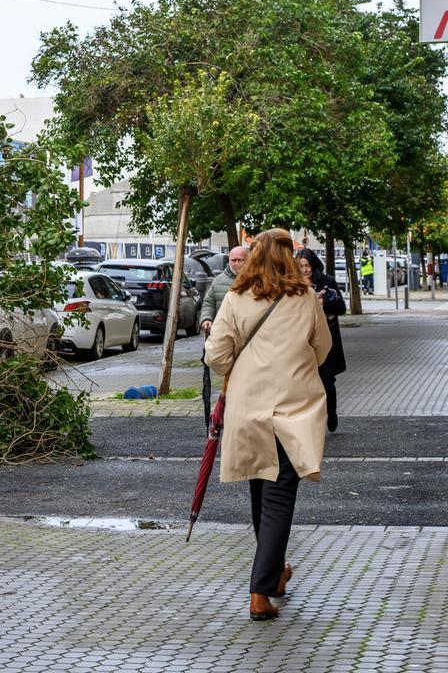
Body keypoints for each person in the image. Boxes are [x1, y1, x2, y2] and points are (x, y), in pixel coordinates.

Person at [205, 229, 331, 622]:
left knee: (262, 491)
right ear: (290, 257)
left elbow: (216, 356)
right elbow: (323, 348)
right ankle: (260, 592)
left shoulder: (235, 298)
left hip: (249, 409)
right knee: (278, 499)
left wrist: (241, 370)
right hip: (292, 411)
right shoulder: (306, 298)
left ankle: (274, 574)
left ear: (255, 257)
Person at [198, 246, 250, 428]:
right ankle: (228, 412)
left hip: (247, 341)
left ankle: (237, 411)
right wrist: (206, 319)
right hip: (225, 339)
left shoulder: (255, 282)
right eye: (232, 260)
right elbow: (208, 303)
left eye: (240, 260)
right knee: (229, 376)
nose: (236, 264)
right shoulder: (219, 281)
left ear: (248, 260)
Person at [296, 249, 347, 433]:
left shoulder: (327, 282)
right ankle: (311, 420)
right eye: (300, 266)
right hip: (302, 341)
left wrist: (323, 304)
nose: (304, 270)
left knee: (326, 380)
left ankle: (331, 413)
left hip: (325, 338)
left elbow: (341, 307)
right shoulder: (294, 285)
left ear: (314, 265)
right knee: (305, 383)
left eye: (307, 266)